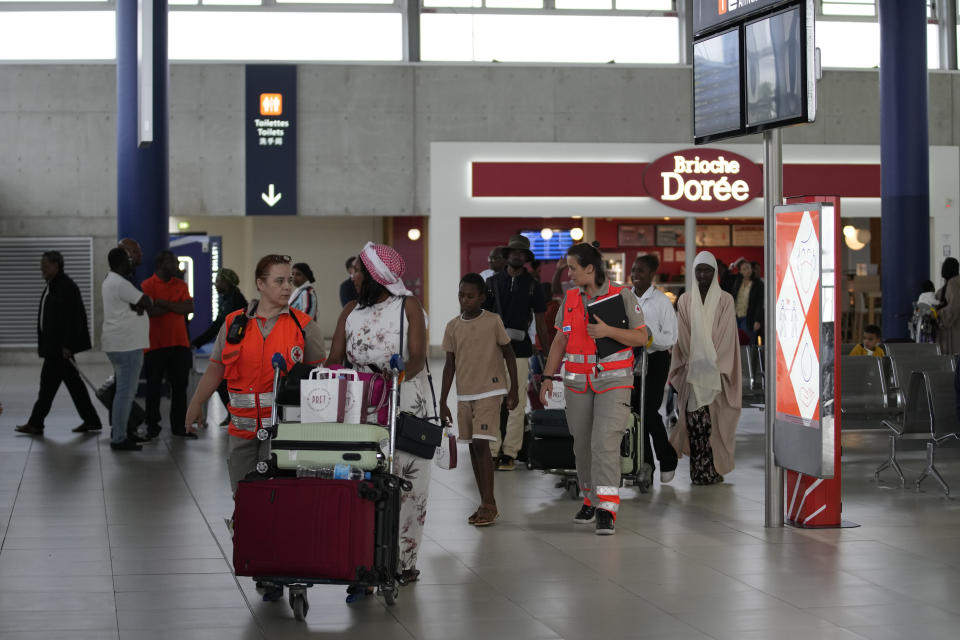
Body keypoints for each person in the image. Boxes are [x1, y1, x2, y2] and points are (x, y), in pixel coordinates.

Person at [185, 254, 324, 602]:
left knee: (282, 503)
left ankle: (289, 571)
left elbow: (320, 381)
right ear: (260, 284)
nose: (287, 287)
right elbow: (216, 369)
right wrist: (195, 404)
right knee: (247, 504)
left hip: (285, 434)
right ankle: (265, 571)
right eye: (279, 281)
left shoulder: (303, 325)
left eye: (290, 280)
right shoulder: (234, 324)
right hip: (243, 434)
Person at [328, 241, 431, 583]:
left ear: (375, 275)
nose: (353, 275)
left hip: (404, 401)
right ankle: (365, 557)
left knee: (408, 485)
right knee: (364, 483)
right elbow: (335, 360)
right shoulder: (350, 311)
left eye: (358, 270)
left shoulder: (408, 306)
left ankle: (405, 560)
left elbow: (417, 356)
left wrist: (394, 379)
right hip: (361, 405)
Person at [539, 242, 649, 535]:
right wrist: (548, 377)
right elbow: (560, 341)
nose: (569, 273)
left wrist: (607, 331)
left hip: (613, 381)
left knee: (605, 443)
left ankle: (607, 508)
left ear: (590, 268)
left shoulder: (621, 295)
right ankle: (590, 498)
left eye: (573, 267)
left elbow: (641, 338)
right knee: (582, 445)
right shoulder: (571, 298)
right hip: (577, 383)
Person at [439, 274, 519, 528]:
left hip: (490, 391)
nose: (465, 300)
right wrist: (442, 402)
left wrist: (513, 389)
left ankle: (490, 504)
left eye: (470, 296)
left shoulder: (492, 321)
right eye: (461, 295)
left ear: (482, 297)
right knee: (473, 448)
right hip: (465, 395)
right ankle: (484, 502)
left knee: (483, 446)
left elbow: (509, 353)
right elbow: (449, 365)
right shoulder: (452, 326)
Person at [668, 251, 741, 485]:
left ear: (715, 272)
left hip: (716, 373)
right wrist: (695, 361)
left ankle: (714, 469)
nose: (702, 275)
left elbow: (726, 336)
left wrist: (711, 363)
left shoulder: (725, 300)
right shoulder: (686, 300)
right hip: (693, 371)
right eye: (699, 270)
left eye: (707, 270)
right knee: (695, 425)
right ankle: (698, 471)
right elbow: (683, 335)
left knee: (714, 424)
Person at [15, 251, 103, 436]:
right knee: (71, 385)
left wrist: (68, 345)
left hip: (60, 349)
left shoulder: (66, 287)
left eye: (45, 266)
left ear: (56, 266)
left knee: (48, 387)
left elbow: (74, 319)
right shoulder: (54, 285)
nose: (42, 269)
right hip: (55, 348)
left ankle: (36, 423)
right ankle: (92, 420)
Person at [483, 234, 549, 470]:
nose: (517, 256)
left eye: (522, 253)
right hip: (493, 350)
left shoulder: (533, 286)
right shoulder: (491, 283)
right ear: (507, 255)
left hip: (520, 351)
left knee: (516, 401)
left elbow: (541, 322)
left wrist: (549, 356)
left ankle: (510, 452)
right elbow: (481, 319)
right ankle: (491, 450)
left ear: (526, 258)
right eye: (513, 253)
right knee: (492, 401)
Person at [630, 254, 679, 485]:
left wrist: (648, 337)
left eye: (640, 271)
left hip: (655, 360)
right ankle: (645, 464)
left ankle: (667, 458)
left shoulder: (661, 301)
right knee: (635, 414)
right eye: (633, 270)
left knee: (648, 411)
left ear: (651, 275)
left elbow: (670, 338)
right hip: (629, 361)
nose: (635, 275)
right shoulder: (624, 298)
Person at [101, 247, 153, 451]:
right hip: (127, 345)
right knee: (125, 393)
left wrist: (137, 306)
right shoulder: (120, 283)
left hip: (118, 343)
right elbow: (146, 302)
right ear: (122, 262)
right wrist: (140, 305)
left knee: (122, 392)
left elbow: (137, 305)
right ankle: (120, 437)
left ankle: (122, 432)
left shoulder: (110, 281)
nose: (132, 263)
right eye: (129, 260)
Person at [141, 251, 195, 439]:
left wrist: (163, 302)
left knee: (180, 388)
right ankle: (152, 426)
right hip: (155, 345)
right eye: (173, 263)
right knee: (153, 388)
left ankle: (179, 426)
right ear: (163, 264)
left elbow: (188, 308)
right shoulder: (147, 285)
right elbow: (150, 311)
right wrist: (175, 306)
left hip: (179, 344)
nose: (176, 267)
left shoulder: (181, 285)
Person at [191, 268, 249, 426]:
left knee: (222, 382)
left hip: (237, 349)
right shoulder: (229, 298)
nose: (215, 284)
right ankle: (234, 414)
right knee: (223, 382)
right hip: (234, 348)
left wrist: (197, 342)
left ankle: (235, 414)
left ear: (227, 282)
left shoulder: (233, 300)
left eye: (218, 281)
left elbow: (219, 326)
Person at [732, 259, 763, 344]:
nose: (748, 270)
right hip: (736, 316)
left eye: (749, 268)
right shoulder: (738, 282)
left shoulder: (758, 284)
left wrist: (757, 320)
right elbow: (733, 298)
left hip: (749, 318)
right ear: (740, 272)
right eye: (744, 269)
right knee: (736, 343)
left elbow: (759, 304)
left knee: (748, 342)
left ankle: (748, 357)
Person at [937, 258, 960, 355]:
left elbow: (954, 306)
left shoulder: (953, 283)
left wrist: (938, 314)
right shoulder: (951, 284)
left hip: (953, 330)